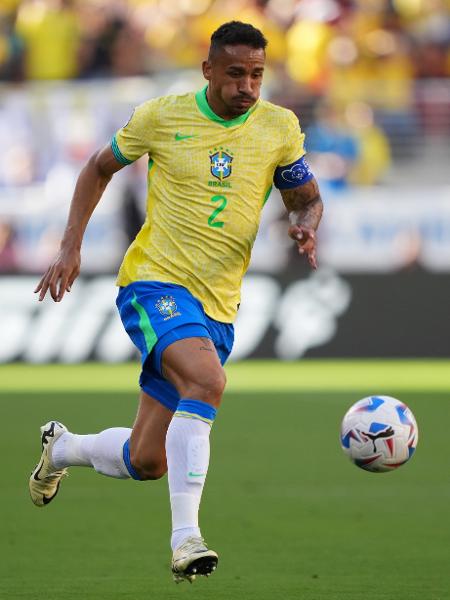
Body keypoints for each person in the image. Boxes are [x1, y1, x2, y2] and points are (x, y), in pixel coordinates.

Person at [29, 21, 323, 584]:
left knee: (147, 461)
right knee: (207, 384)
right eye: (236, 74)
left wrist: (303, 224)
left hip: (219, 306)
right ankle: (186, 539)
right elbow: (98, 168)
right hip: (154, 284)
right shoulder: (160, 116)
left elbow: (304, 197)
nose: (248, 86)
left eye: (257, 74)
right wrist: (70, 247)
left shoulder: (279, 127)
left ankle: (62, 447)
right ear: (208, 70)